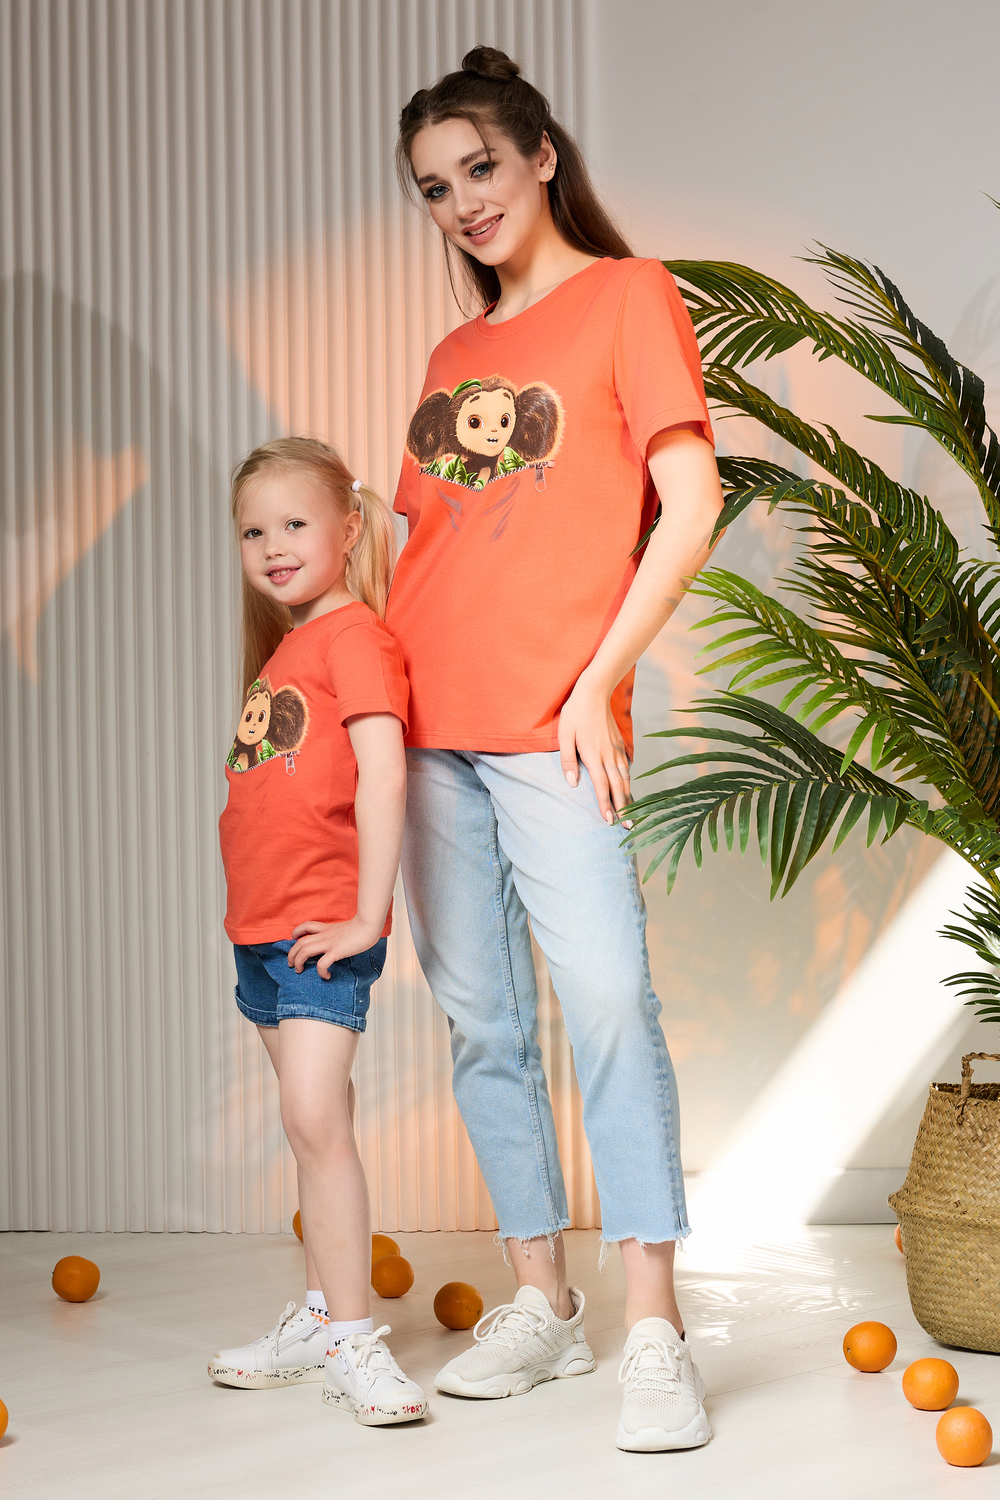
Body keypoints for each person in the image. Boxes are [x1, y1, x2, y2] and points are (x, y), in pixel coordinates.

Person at [389, 47, 724, 1452]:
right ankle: (543, 1300)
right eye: (433, 188)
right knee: (482, 1021)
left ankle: (653, 1325)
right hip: (426, 729)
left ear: (540, 155)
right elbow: (430, 550)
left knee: (606, 1005)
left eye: (479, 167)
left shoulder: (630, 297)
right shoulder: (453, 357)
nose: (463, 202)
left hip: (552, 724)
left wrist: (599, 682)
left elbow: (691, 503)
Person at [208, 437, 427, 1427]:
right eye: (253, 531)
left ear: (348, 529)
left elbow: (384, 772)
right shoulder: (285, 652)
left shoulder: (355, 638)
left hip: (319, 931)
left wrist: (367, 914)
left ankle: (353, 1339)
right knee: (315, 1120)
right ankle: (317, 1315)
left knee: (313, 1121)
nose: (273, 545)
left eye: (294, 523)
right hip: (259, 931)